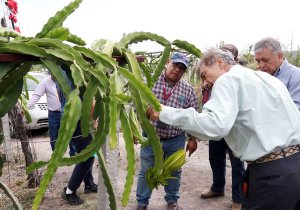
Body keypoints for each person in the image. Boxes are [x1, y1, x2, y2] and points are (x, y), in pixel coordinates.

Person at [147, 48, 300, 210]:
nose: (205, 83)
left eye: (205, 74)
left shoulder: (228, 79)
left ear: (219, 62)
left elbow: (214, 126)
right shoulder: (268, 79)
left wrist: (164, 112)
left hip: (271, 175)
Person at [136, 52, 200, 210]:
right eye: (175, 65)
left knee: (174, 171)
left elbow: (194, 116)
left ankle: (172, 200)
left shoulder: (188, 90)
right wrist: (134, 130)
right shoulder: (149, 81)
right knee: (146, 170)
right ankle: (142, 202)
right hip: (151, 136)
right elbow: (136, 105)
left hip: (175, 138)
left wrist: (193, 139)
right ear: (167, 63)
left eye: (182, 68)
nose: (177, 70)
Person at [200, 44, 245, 210]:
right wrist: (206, 85)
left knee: (237, 163)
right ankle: (217, 187)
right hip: (215, 122)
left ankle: (238, 198)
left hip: (233, 126)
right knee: (215, 158)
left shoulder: (237, 77)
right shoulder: (213, 78)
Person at [57, 66, 98, 205]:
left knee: (85, 152)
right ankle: (69, 191)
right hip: (79, 119)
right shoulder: (80, 73)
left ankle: (89, 184)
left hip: (68, 116)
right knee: (86, 156)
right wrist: (93, 119)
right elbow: (89, 99)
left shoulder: (60, 71)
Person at [27, 73, 76, 156]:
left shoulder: (67, 79)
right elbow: (37, 94)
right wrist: (27, 107)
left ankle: (73, 154)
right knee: (54, 136)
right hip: (54, 113)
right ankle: (56, 156)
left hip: (68, 112)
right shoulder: (45, 81)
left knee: (71, 133)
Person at [254, 37, 300, 110]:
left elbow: (296, 110)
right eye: (258, 61)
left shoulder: (296, 76)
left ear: (280, 56)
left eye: (265, 60)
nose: (261, 65)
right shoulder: (260, 76)